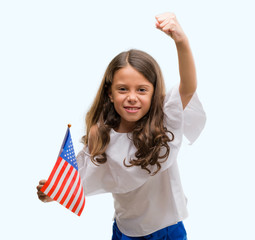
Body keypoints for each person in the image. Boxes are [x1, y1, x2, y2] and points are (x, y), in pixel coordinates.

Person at [36, 12, 206, 240]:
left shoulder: (165, 119)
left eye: (142, 90)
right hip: (126, 231)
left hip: (167, 229)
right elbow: (80, 175)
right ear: (110, 93)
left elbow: (188, 86)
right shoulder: (103, 134)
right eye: (123, 89)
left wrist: (181, 41)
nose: (132, 97)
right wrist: (54, 191)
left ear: (154, 92)